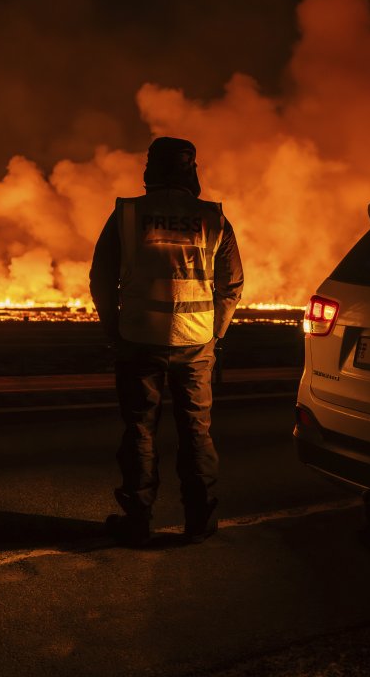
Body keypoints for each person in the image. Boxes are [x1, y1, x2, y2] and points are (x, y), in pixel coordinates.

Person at [89, 136, 244, 546]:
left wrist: (113, 330)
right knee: (196, 432)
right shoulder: (213, 218)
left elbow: (100, 279)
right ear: (192, 171)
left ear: (150, 170)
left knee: (140, 429)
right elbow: (233, 285)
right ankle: (200, 522)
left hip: (139, 340)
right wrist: (215, 333)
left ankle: (137, 520)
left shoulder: (127, 214)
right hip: (196, 345)